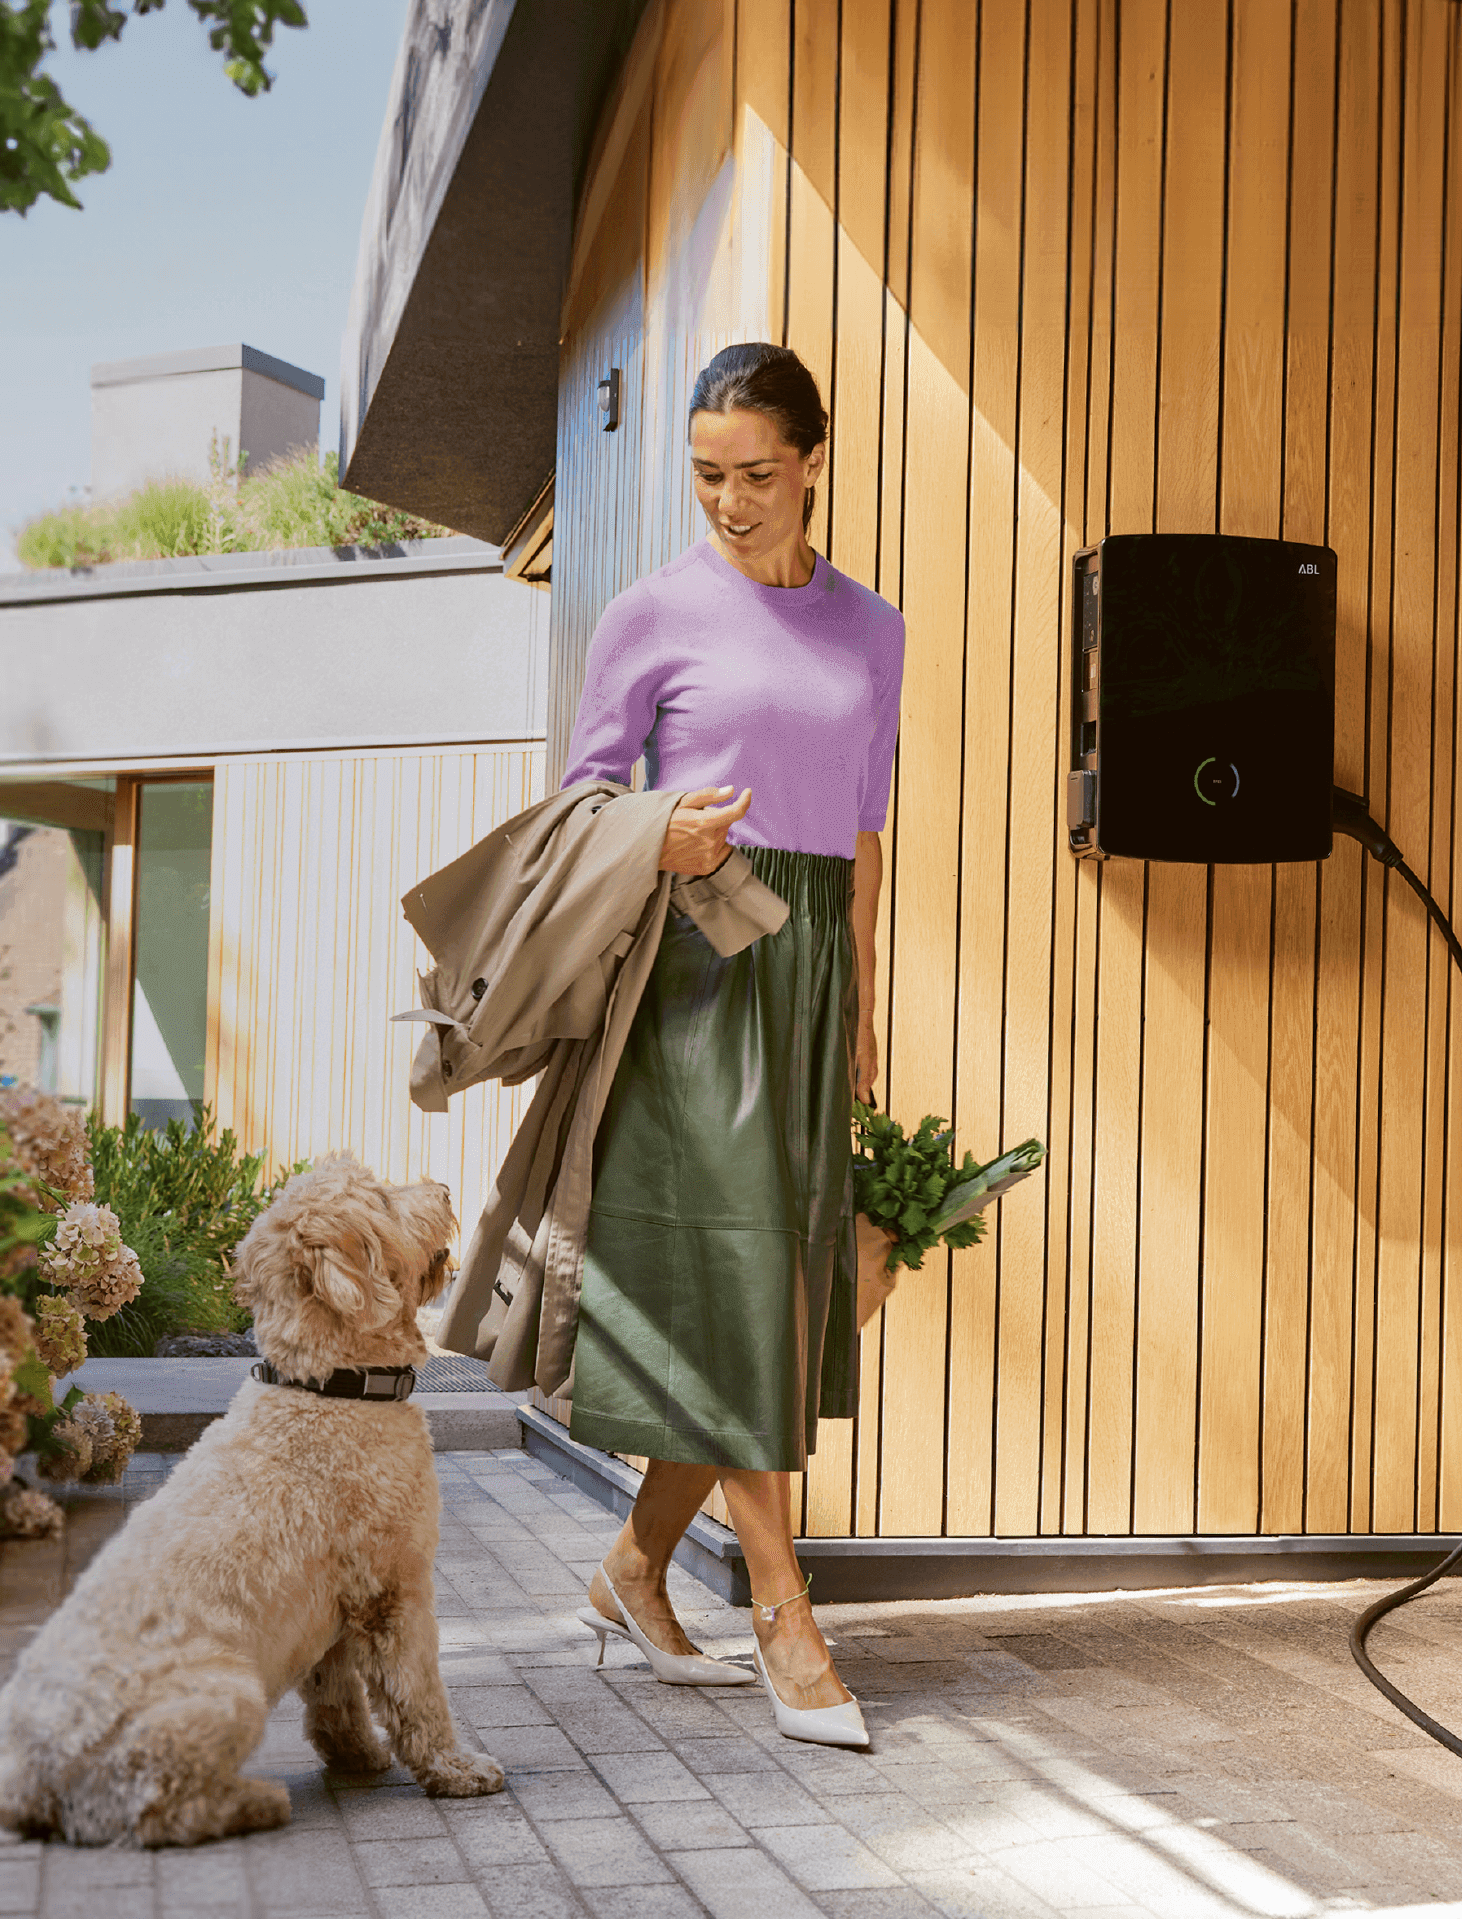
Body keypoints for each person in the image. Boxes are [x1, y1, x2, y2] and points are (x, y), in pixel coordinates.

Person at [560, 341, 904, 1749]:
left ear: (814, 461)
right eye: (708, 476)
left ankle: (634, 1567)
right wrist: (663, 827)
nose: (733, 500)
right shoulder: (650, 616)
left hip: (813, 960)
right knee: (744, 1280)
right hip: (701, 952)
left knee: (783, 1283)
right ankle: (783, 1608)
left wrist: (864, 1001)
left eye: (759, 474)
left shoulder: (874, 629)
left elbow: (865, 829)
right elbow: (581, 804)